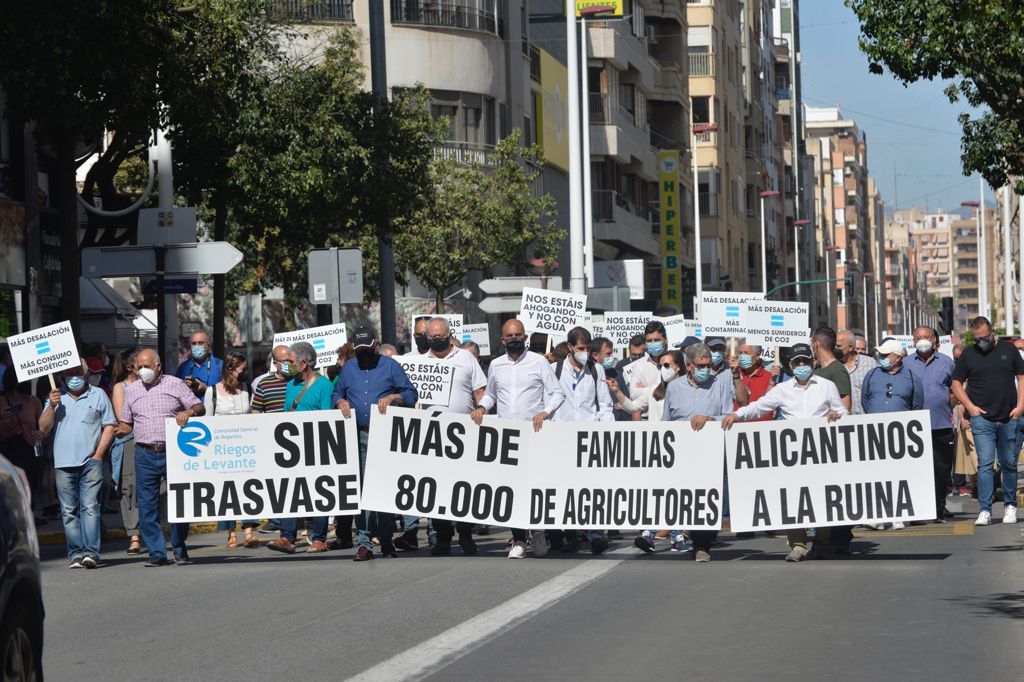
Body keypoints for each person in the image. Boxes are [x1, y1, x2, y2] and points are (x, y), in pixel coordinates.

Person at [722, 343, 847, 561]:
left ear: (813, 362)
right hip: (791, 454)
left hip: (821, 451)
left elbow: (842, 411)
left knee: (822, 496)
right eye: (797, 362)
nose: (801, 366)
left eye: (805, 362)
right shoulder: (783, 389)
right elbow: (759, 406)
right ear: (790, 365)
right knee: (793, 497)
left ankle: (823, 543)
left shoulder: (826, 386)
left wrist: (836, 416)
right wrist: (738, 415)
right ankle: (798, 544)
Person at [471, 319, 565, 559]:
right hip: (507, 438)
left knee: (536, 486)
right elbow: (491, 394)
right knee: (512, 489)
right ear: (502, 340)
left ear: (525, 337)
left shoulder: (539, 361)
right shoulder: (496, 365)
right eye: (509, 336)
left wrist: (546, 412)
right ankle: (520, 539)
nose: (514, 339)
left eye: (518, 335)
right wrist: (482, 407)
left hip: (534, 435)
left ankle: (540, 531)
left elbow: (557, 393)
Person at [398, 317, 485, 557]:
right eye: (431, 337)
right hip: (431, 437)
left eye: (440, 336)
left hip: (463, 435)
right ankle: (443, 538)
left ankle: (466, 534)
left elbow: (481, 391)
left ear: (449, 334)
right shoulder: (415, 363)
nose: (436, 340)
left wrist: (482, 408)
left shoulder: (465, 358)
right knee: (435, 490)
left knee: (463, 489)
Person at [332, 327, 418, 561]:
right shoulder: (349, 368)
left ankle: (387, 539)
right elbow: (335, 394)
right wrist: (340, 401)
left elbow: (411, 395)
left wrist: (393, 398)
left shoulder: (391, 366)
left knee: (384, 488)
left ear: (376, 344)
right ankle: (364, 542)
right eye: (358, 349)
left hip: (385, 435)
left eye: (367, 349)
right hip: (358, 435)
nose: (363, 353)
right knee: (362, 489)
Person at [118, 348, 205, 567]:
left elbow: (199, 406)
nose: (143, 371)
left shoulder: (174, 384)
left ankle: (179, 547)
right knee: (146, 505)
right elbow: (126, 424)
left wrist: (189, 412)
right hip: (144, 453)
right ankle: (157, 552)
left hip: (173, 452)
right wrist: (115, 429)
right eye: (139, 367)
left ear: (158, 366)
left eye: (147, 366)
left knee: (179, 503)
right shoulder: (132, 390)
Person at [657, 343, 734, 562]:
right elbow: (666, 421)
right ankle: (683, 536)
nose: (705, 370)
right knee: (684, 498)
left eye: (708, 365)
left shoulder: (718, 385)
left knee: (706, 498)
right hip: (681, 452)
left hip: (709, 452)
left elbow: (729, 415)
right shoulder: (674, 387)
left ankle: (702, 545)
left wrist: (710, 420)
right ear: (689, 365)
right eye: (700, 365)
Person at [39, 361, 116, 568]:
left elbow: (109, 425)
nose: (73, 377)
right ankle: (75, 553)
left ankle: (91, 552)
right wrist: (52, 405)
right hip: (63, 463)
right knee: (68, 510)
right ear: (63, 376)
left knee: (90, 507)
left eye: (77, 373)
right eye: (69, 373)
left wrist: (99, 454)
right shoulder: (57, 396)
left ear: (86, 374)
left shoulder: (98, 394)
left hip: (91, 462)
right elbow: (44, 427)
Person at [951, 316, 1024, 526]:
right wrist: (970, 407)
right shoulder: (968, 354)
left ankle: (1010, 505)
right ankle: (985, 509)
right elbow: (956, 383)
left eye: (984, 337)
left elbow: (1021, 376)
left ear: (992, 333)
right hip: (982, 419)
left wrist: (1020, 406)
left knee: (1009, 463)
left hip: (1008, 417)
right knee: (984, 465)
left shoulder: (1008, 351)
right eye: (976, 339)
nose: (980, 341)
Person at [547, 327, 614, 555]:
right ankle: (573, 535)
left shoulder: (596, 371)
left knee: (592, 488)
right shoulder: (554, 370)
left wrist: (607, 432)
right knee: (566, 490)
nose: (585, 353)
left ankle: (596, 536)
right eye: (581, 348)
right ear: (570, 348)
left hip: (589, 440)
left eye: (587, 348)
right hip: (560, 441)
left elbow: (603, 404)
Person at [265, 342, 336, 554]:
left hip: (316, 445)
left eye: (290, 362)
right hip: (293, 449)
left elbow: (326, 417)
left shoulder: (324, 385)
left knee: (318, 492)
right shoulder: (291, 385)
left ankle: (319, 538)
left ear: (304, 363)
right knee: (290, 491)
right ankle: (287, 537)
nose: (287, 365)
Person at [861, 339, 925, 531]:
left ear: (898, 357)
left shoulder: (913, 378)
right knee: (876, 475)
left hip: (901, 435)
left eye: (885, 355)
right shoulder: (871, 375)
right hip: (875, 434)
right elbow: (866, 401)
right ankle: (878, 515)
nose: (881, 358)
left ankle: (899, 514)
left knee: (900, 476)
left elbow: (917, 405)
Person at [204, 351, 258, 548]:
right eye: (242, 369)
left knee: (247, 488)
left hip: (245, 448)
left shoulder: (246, 390)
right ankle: (230, 533)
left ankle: (249, 530)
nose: (245, 373)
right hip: (222, 449)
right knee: (226, 491)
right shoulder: (213, 392)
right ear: (230, 370)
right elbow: (208, 421)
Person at [905, 326, 957, 522]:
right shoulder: (906, 363)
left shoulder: (947, 363)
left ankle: (938, 509)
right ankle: (918, 511)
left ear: (934, 340)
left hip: (941, 425)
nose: (922, 340)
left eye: (926, 337)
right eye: (918, 337)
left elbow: (955, 390)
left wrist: (946, 406)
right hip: (914, 428)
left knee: (941, 470)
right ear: (913, 340)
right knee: (917, 471)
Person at [110, 349, 143, 554]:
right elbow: (124, 421)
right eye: (142, 364)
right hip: (130, 443)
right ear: (131, 366)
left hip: (150, 441)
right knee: (129, 489)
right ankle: (134, 535)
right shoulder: (120, 388)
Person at [0, 366, 43, 500]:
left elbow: (42, 424)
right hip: (5, 449)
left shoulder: (33, 401)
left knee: (28, 484)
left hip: (28, 449)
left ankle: (28, 513)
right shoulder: (1, 400)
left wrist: (41, 433)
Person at [609, 349, 683, 424]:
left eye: (666, 365)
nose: (663, 369)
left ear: (678, 367)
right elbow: (632, 407)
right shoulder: (654, 391)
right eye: (660, 366)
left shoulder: (690, 389)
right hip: (658, 433)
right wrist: (617, 391)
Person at [811, 327, 852, 413]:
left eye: (811, 342)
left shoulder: (838, 370)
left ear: (816, 344)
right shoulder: (816, 368)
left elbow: (846, 406)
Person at [175, 329, 223, 398]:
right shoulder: (183, 367)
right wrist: (184, 388)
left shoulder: (220, 365)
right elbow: (175, 392)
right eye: (194, 343)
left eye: (200, 343)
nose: (197, 346)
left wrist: (206, 389)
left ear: (208, 345)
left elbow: (230, 393)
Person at [836, 329, 873, 415]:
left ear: (850, 348)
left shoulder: (870, 363)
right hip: (844, 421)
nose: (835, 349)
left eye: (838, 346)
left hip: (867, 419)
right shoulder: (833, 366)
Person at [705, 337, 749, 406]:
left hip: (724, 416)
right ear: (705, 348)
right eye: (713, 348)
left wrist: (736, 375)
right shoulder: (697, 369)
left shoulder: (731, 370)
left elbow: (743, 402)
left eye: (720, 349)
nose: (717, 352)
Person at [736, 342, 773, 418]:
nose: (742, 356)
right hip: (736, 426)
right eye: (740, 352)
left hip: (761, 428)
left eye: (746, 353)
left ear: (757, 355)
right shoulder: (734, 375)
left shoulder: (769, 377)